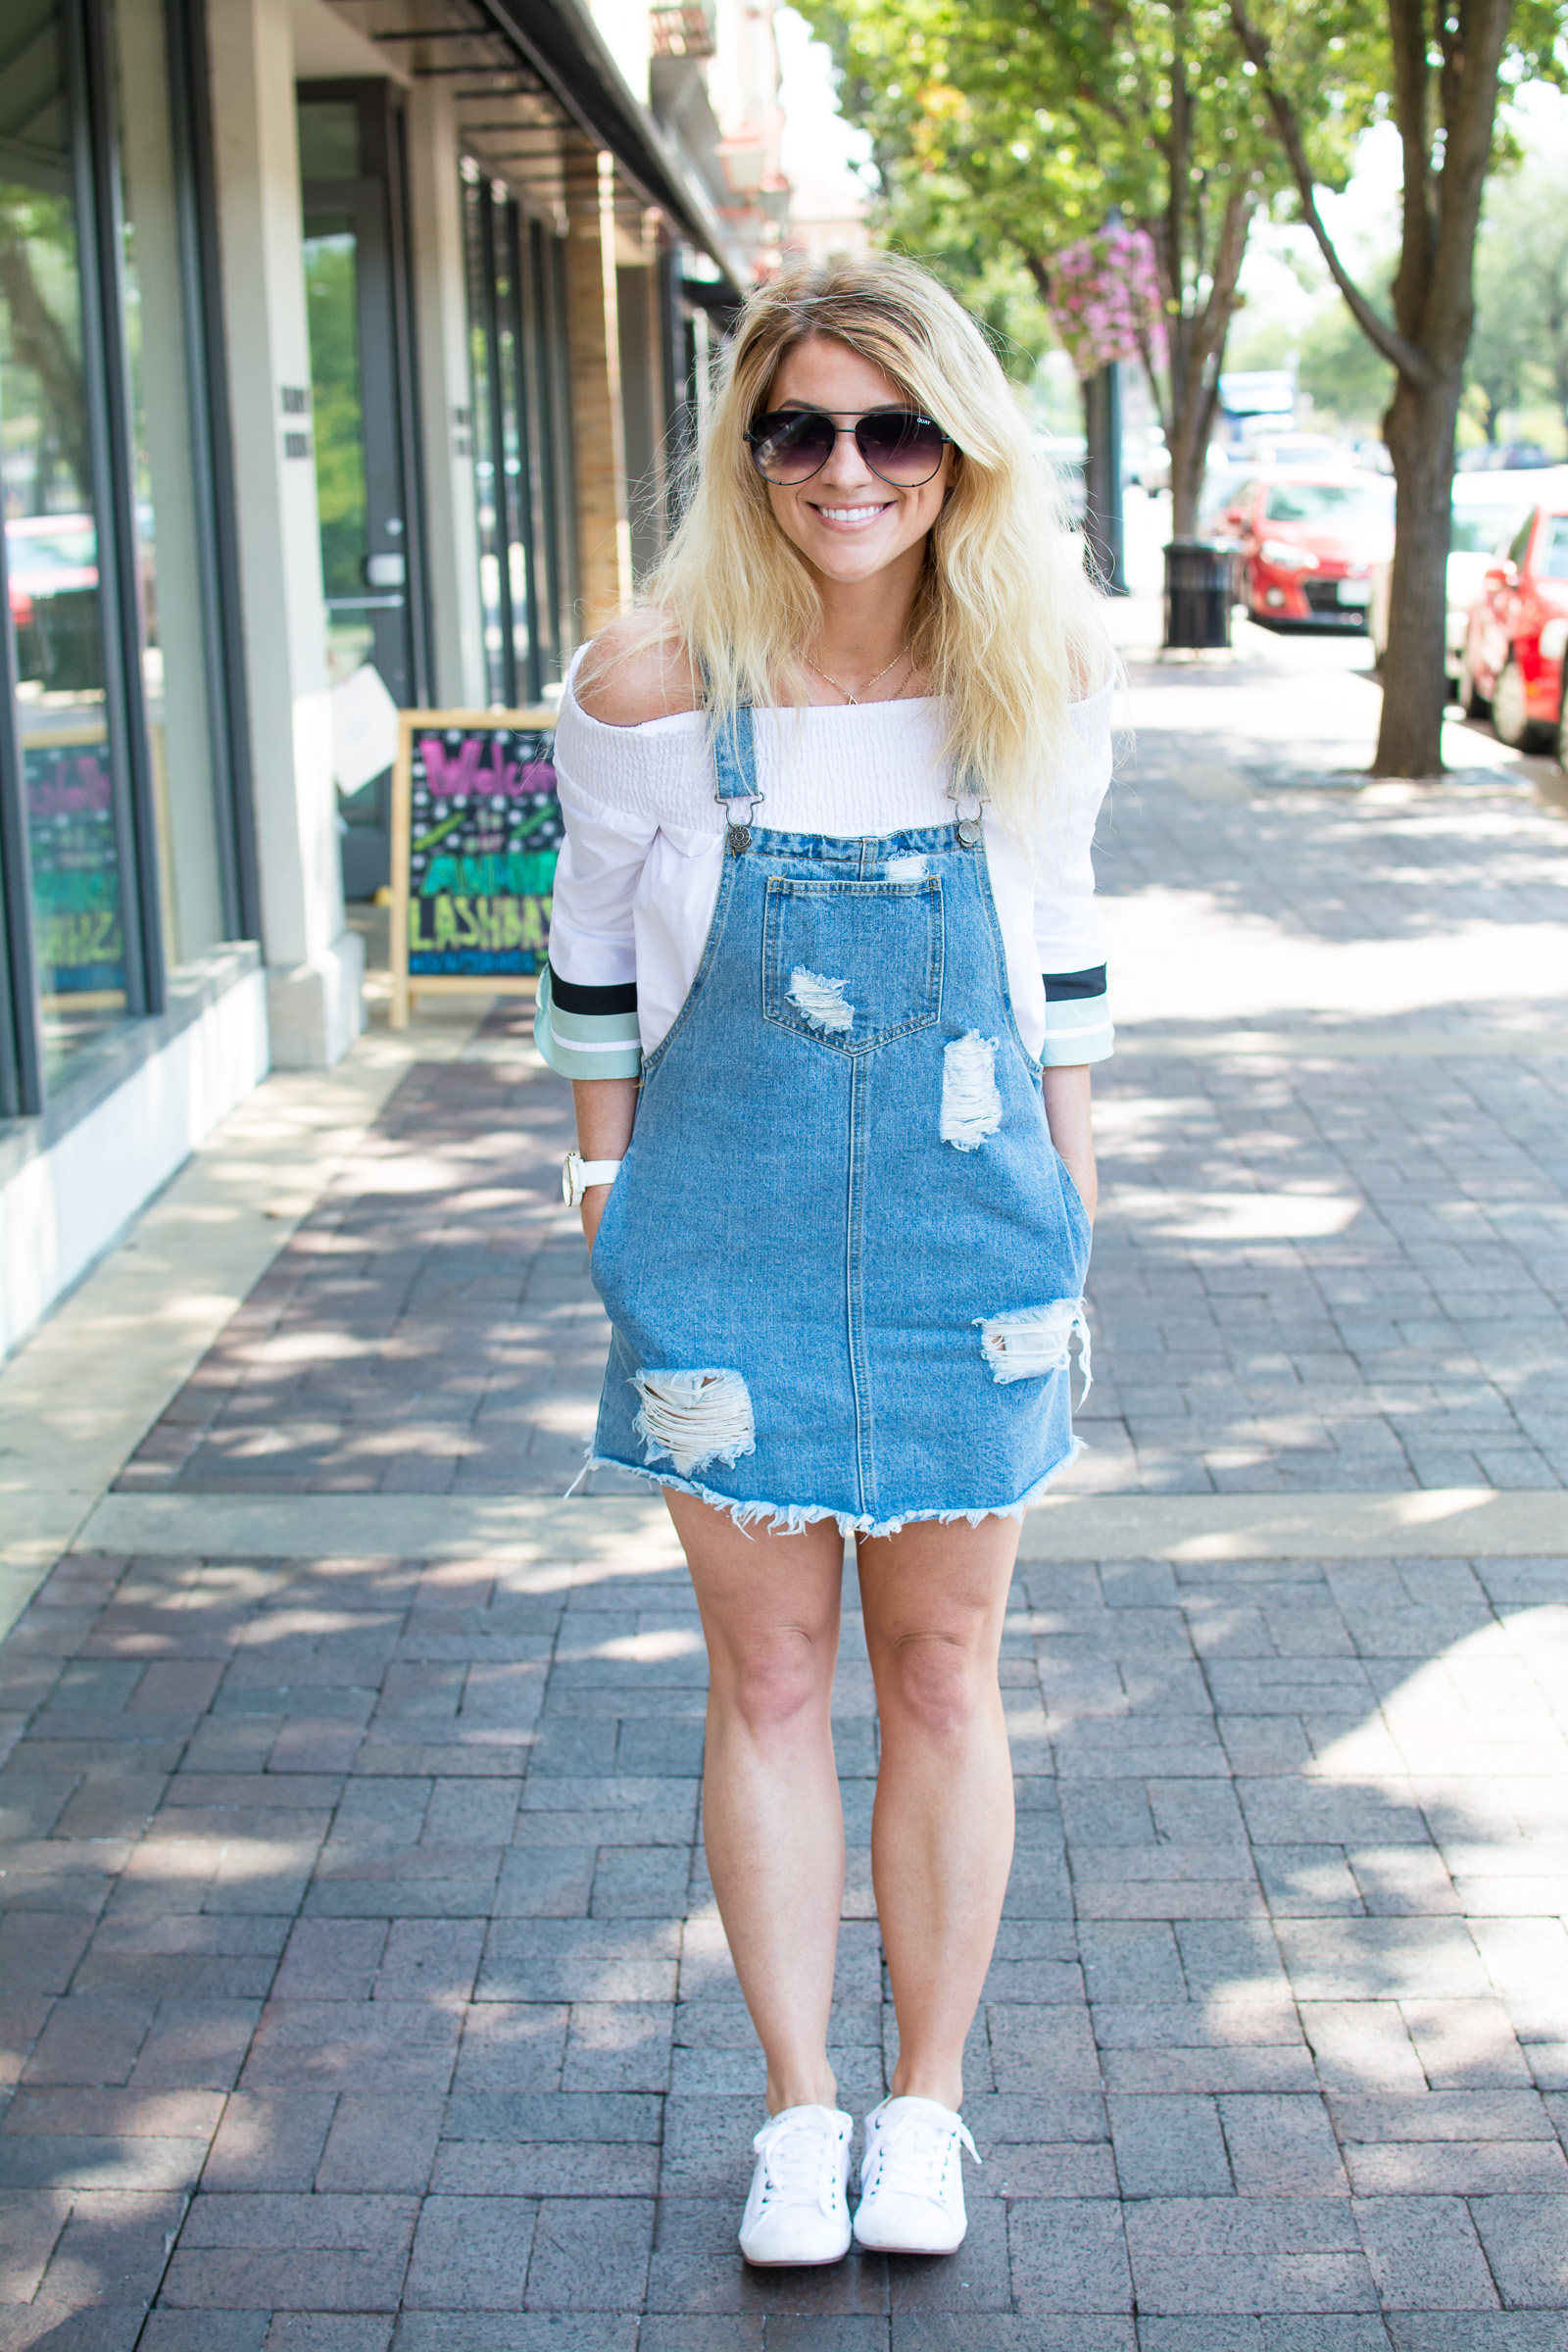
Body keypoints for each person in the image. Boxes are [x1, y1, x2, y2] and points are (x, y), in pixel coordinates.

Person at [536, 252, 1115, 2268]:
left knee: (942, 1670)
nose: (844, 468)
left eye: (890, 427)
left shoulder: (1022, 681)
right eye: (800, 427)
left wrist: (1075, 1214)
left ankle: (926, 2106)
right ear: (748, 449)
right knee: (767, 1673)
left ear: (956, 451)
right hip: (716, 1250)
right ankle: (798, 2111)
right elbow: (590, 961)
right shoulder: (647, 688)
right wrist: (598, 1196)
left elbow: (1060, 965)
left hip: (979, 1251)